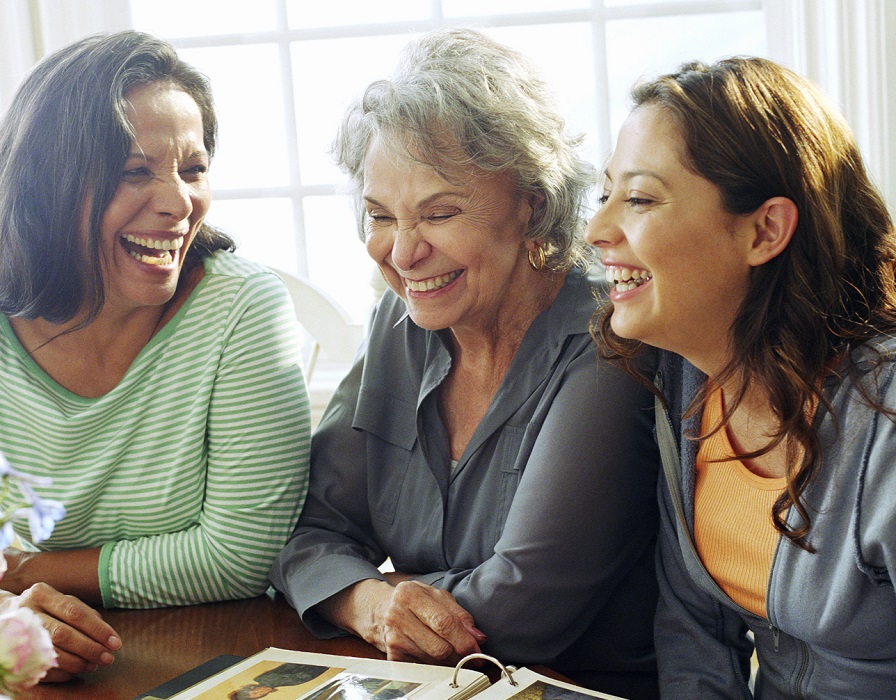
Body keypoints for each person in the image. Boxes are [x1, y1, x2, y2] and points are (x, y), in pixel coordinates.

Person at [0, 31, 311, 682]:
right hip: (50, 661)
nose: (178, 202)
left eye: (192, 168)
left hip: (226, 652)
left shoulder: (242, 310)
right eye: (136, 172)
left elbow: (241, 555)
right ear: (47, 187)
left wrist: (22, 572)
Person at [270, 28, 661, 699]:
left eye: (438, 213)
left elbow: (523, 610)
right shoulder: (402, 322)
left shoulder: (610, 336)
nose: (402, 252)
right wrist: (368, 602)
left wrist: (376, 588)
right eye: (380, 216)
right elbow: (306, 535)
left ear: (531, 204)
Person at [586, 56, 896, 698]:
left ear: (765, 229)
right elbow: (695, 641)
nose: (597, 229)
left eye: (638, 198)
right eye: (604, 194)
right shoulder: (688, 383)